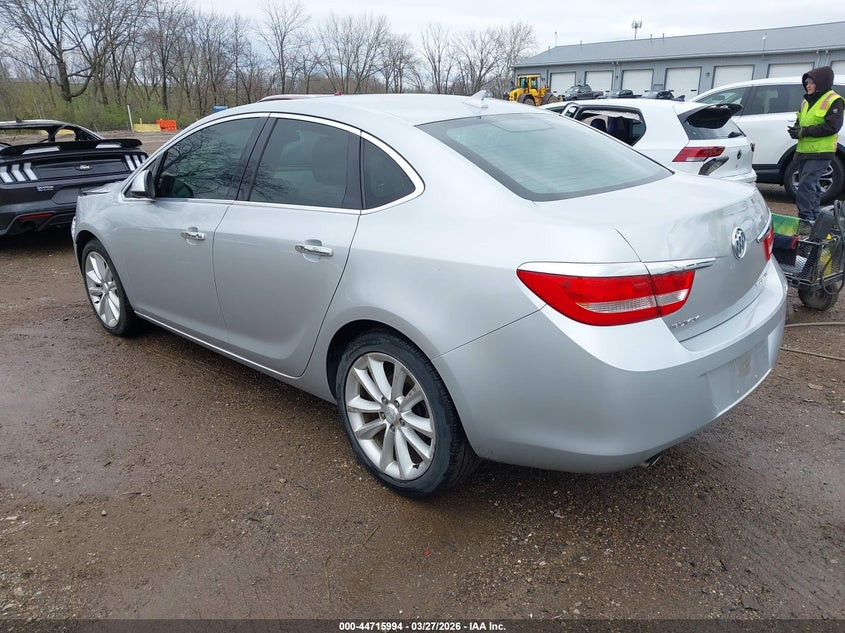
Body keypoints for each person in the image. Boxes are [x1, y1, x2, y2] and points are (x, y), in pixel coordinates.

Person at [787, 66, 843, 227]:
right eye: (806, 83)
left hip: (821, 151)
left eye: (811, 82)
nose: (808, 86)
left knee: (806, 185)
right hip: (804, 151)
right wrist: (796, 130)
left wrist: (804, 132)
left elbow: (833, 127)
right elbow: (801, 120)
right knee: (812, 185)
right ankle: (815, 218)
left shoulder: (834, 100)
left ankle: (805, 220)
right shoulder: (806, 101)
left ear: (821, 82)